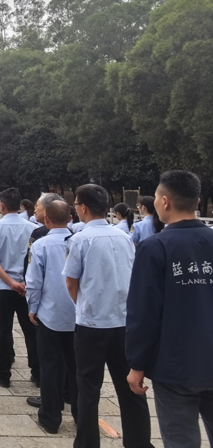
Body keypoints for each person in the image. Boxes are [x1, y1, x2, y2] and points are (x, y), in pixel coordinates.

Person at [126, 170, 213, 448]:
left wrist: (137, 364)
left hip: (175, 363)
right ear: (197, 202)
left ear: (163, 202)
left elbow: (144, 312)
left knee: (180, 440)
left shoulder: (155, 247)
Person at [64, 184, 153, 448]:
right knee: (131, 388)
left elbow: (71, 282)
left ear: (82, 208)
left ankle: (87, 443)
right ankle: (139, 443)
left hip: (91, 324)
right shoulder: (124, 237)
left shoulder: (80, 239)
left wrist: (85, 305)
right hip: (124, 323)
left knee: (88, 389)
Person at [25, 199, 77, 434]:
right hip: (78, 315)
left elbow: (34, 281)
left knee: (50, 366)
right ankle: (80, 413)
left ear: (46, 219)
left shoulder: (41, 245)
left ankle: (50, 417)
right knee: (76, 367)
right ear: (69, 218)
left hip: (50, 313)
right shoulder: (79, 241)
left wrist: (32, 307)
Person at [0, 187, 39, 388]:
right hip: (27, 288)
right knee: (31, 331)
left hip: (3, 287)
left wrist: (9, 282)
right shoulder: (32, 228)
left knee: (3, 331)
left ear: (2, 205)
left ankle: (3, 373)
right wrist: (23, 282)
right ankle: (37, 372)